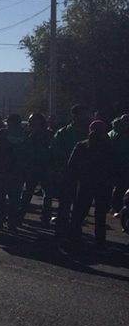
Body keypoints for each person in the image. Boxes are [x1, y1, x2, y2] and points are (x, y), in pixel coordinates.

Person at [67, 120, 117, 250]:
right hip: (103, 185)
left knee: (78, 214)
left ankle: (73, 239)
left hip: (85, 183)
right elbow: (115, 167)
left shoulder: (82, 146)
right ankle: (100, 244)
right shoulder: (109, 147)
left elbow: (71, 165)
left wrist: (77, 178)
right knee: (100, 217)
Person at [50, 104, 92, 238]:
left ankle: (75, 230)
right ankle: (61, 231)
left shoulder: (90, 133)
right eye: (83, 114)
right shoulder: (63, 133)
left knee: (82, 206)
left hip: (85, 175)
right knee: (65, 204)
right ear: (74, 115)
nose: (86, 117)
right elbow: (55, 151)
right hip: (68, 174)